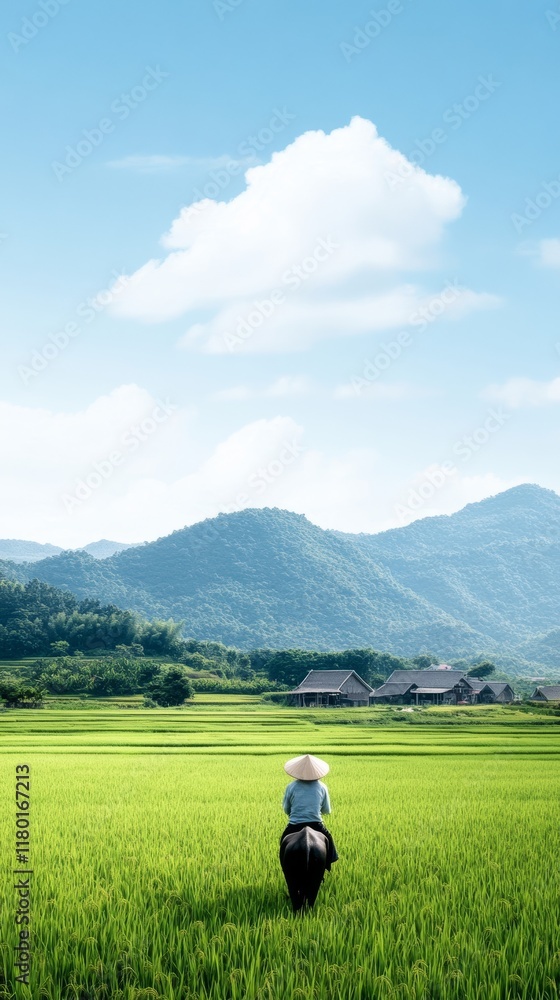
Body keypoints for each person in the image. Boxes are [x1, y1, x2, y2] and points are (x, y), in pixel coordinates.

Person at [279, 753, 339, 870]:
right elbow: (327, 810)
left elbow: (286, 809)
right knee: (329, 839)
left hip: (294, 825)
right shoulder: (322, 787)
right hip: (316, 824)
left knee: (283, 841)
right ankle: (328, 863)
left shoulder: (291, 786)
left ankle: (284, 864)